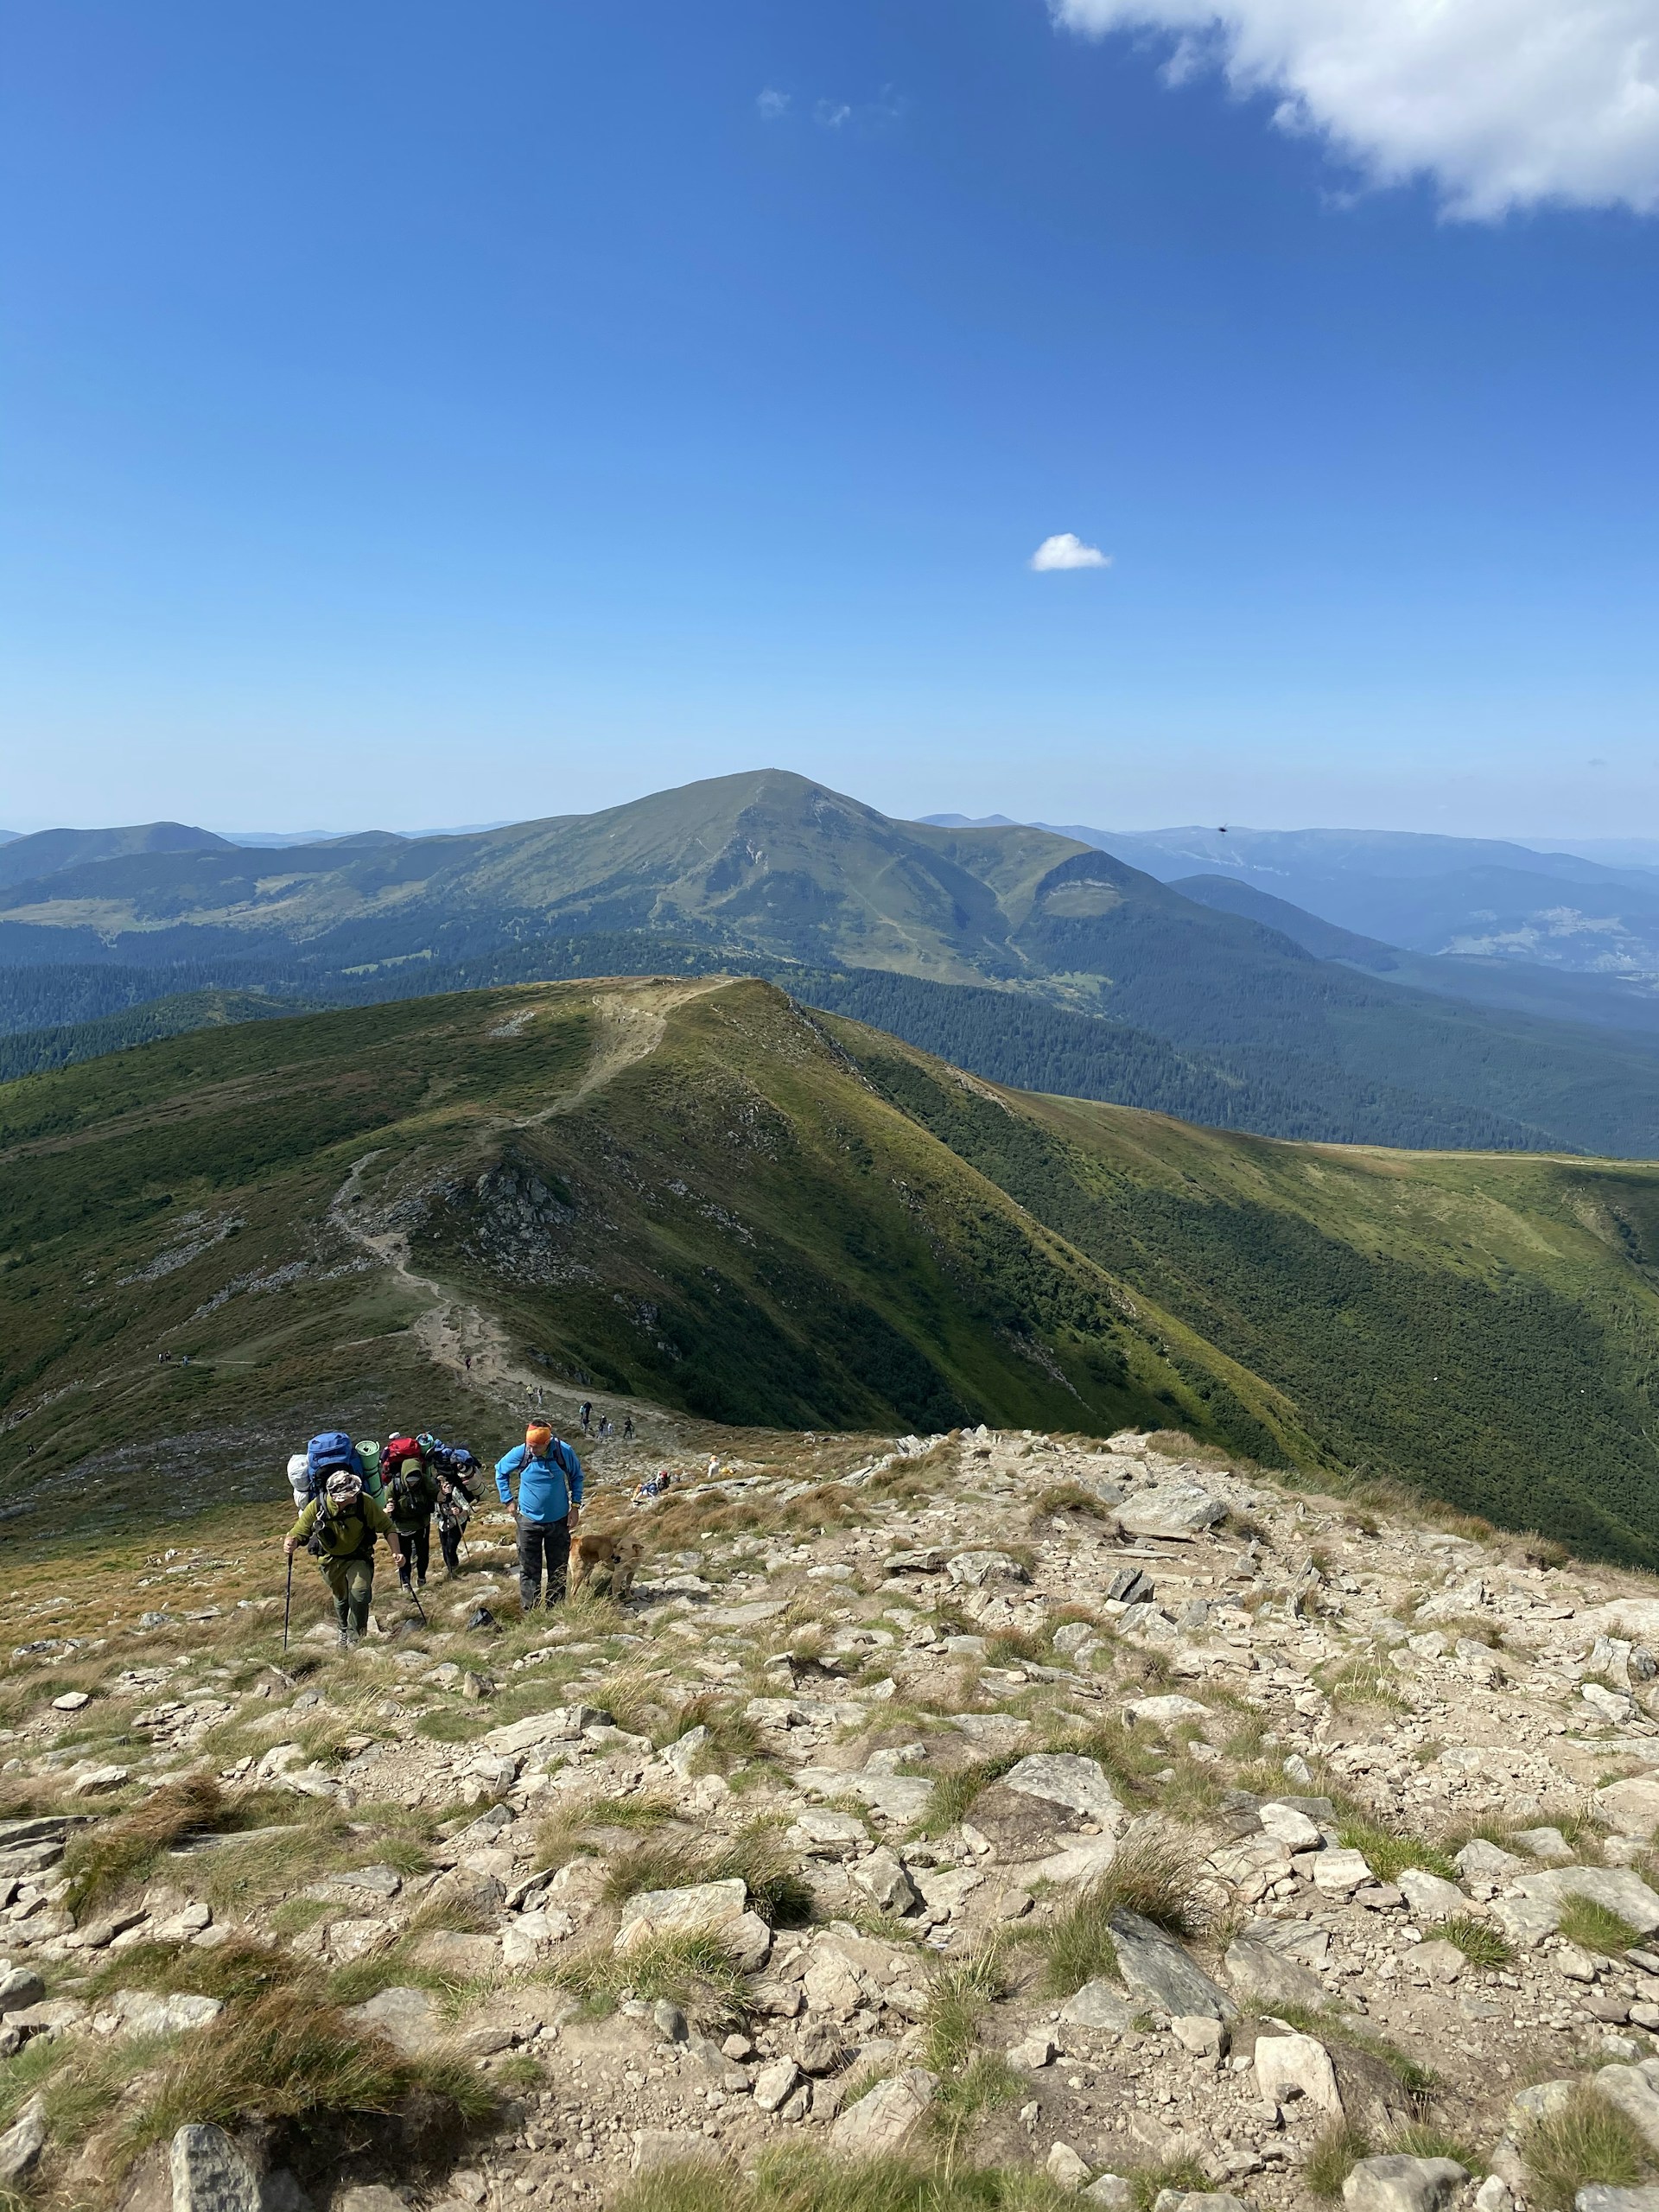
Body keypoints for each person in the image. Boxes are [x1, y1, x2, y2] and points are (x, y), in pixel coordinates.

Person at [284, 1468, 404, 1650]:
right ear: (338, 1497)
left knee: (360, 1593)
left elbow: (388, 1527)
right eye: (351, 1493)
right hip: (330, 1560)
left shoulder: (365, 1503)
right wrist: (290, 1543)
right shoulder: (318, 1507)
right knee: (341, 1598)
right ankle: (343, 1628)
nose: (355, 1496)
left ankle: (356, 1637)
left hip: (359, 1556)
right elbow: (298, 1533)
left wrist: (397, 1552)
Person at [495, 1421, 583, 1612]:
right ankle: (531, 1613)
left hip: (559, 1521)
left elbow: (576, 1476)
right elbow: (500, 1471)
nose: (532, 1449)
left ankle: (555, 1610)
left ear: (547, 1442)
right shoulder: (522, 1452)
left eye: (536, 1446)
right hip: (528, 1522)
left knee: (558, 1569)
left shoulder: (563, 1451)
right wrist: (508, 1500)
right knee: (529, 1570)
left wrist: (575, 1507)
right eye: (529, 1445)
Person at [385, 1438, 441, 1590]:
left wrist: (444, 1493)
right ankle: (405, 1582)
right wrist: (388, 1508)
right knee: (405, 1556)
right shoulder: (393, 1487)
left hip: (422, 1524)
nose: (413, 1483)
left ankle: (421, 1577)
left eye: (416, 1479)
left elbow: (438, 1497)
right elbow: (385, 1509)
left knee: (423, 1554)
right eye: (410, 1480)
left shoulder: (425, 1481)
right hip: (401, 1527)